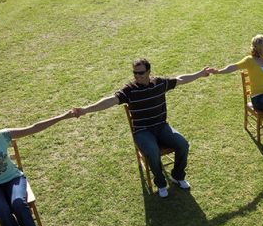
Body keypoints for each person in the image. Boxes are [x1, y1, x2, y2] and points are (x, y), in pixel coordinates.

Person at [72, 59, 211, 198]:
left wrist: (200, 73)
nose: (137, 76)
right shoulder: (129, 90)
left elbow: (180, 79)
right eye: (135, 73)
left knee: (183, 144)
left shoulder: (159, 83)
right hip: (142, 131)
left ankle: (178, 176)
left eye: (141, 73)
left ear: (149, 72)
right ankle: (161, 183)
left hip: (161, 126)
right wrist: (85, 109)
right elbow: (110, 101)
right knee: (152, 151)